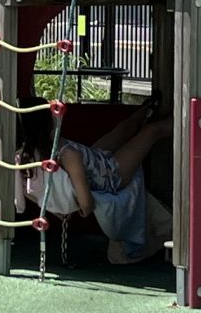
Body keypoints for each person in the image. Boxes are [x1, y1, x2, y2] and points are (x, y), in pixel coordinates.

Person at [31, 106, 173, 265]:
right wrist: (75, 206)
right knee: (151, 132)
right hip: (111, 174)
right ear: (48, 125)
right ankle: (193, 110)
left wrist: (60, 210)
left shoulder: (28, 159)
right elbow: (87, 205)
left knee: (126, 129)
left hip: (93, 160)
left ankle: (152, 104)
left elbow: (33, 192)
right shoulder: (66, 154)